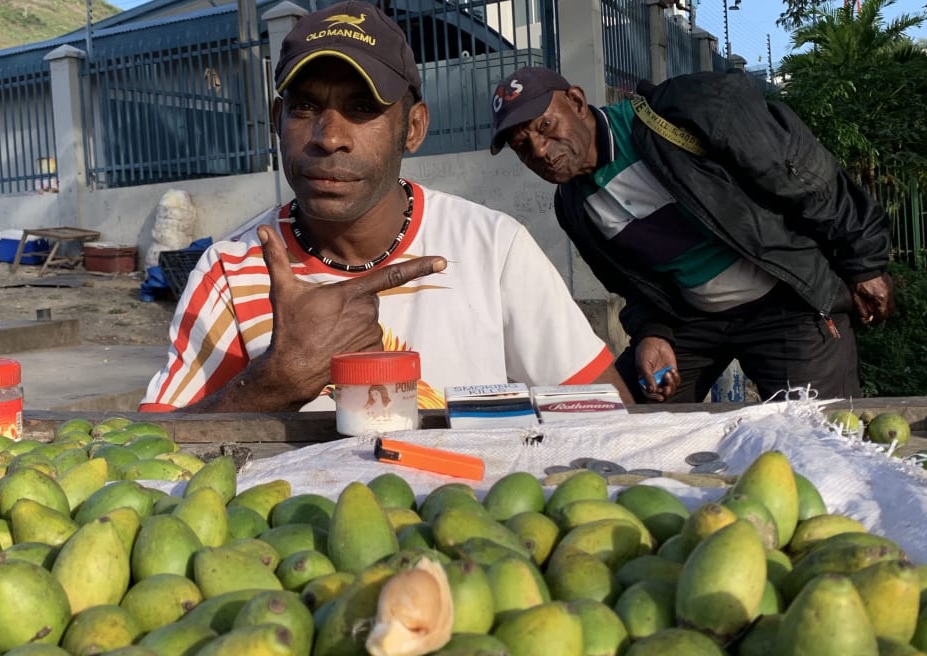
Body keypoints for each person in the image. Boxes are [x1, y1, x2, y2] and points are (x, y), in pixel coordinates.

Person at [140, 2, 632, 413]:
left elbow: (602, 413)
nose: (329, 138)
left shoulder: (491, 248)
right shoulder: (228, 269)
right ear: (277, 119)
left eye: (361, 109)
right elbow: (155, 451)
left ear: (413, 129)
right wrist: (274, 382)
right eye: (306, 107)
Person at [489, 66, 894, 403]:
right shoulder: (574, 206)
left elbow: (803, 175)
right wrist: (652, 332)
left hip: (786, 301)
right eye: (523, 146)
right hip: (694, 321)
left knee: (818, 440)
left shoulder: (679, 113)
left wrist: (863, 261)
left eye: (545, 126)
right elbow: (630, 283)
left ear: (577, 102)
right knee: (629, 421)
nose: (540, 150)